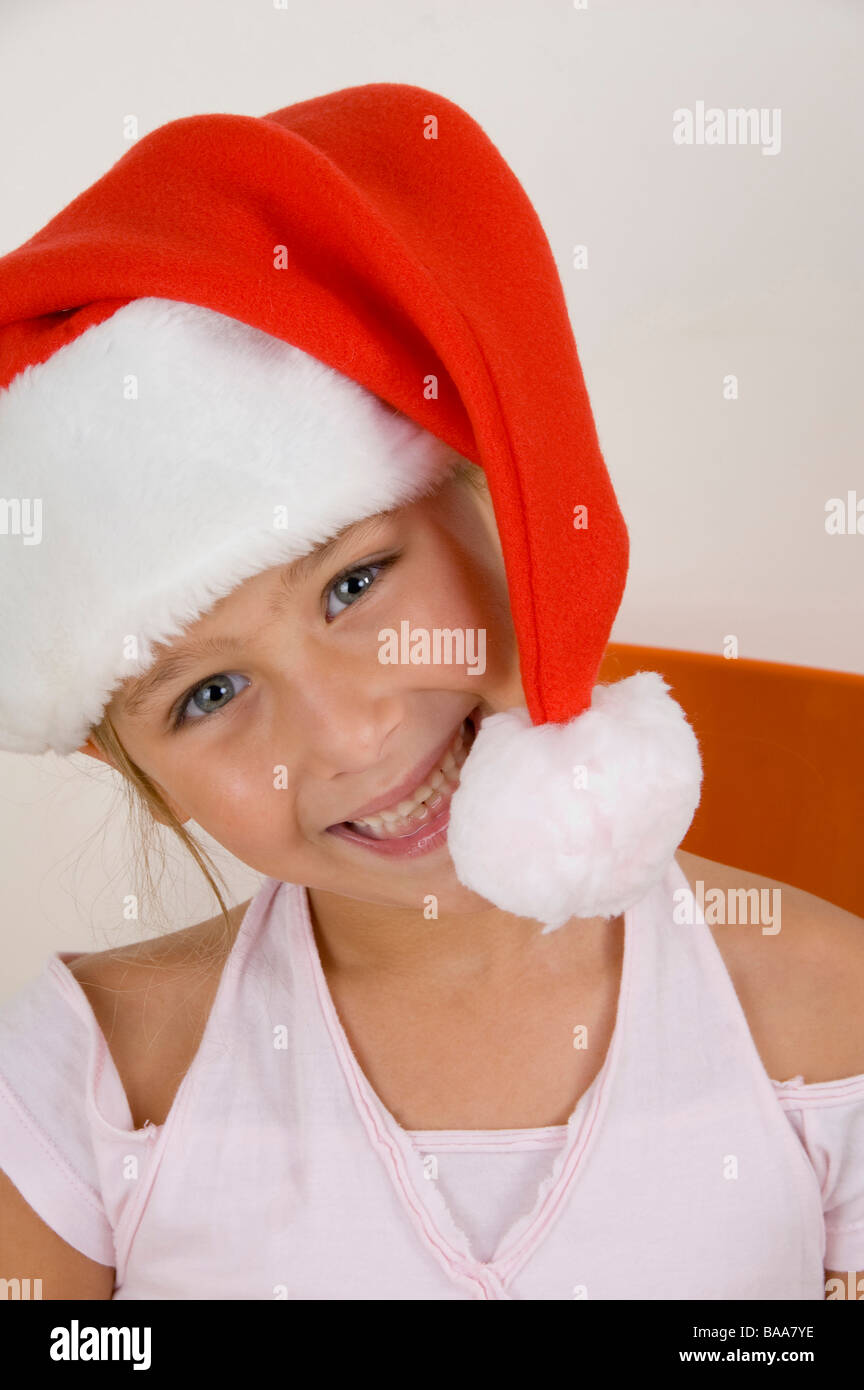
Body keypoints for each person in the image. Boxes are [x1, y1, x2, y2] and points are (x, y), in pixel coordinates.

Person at [0, 83, 861, 1302]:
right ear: (132, 767)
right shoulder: (83, 1091)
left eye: (356, 582)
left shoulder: (830, 1017)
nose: (350, 731)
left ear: (490, 502)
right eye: (208, 694)